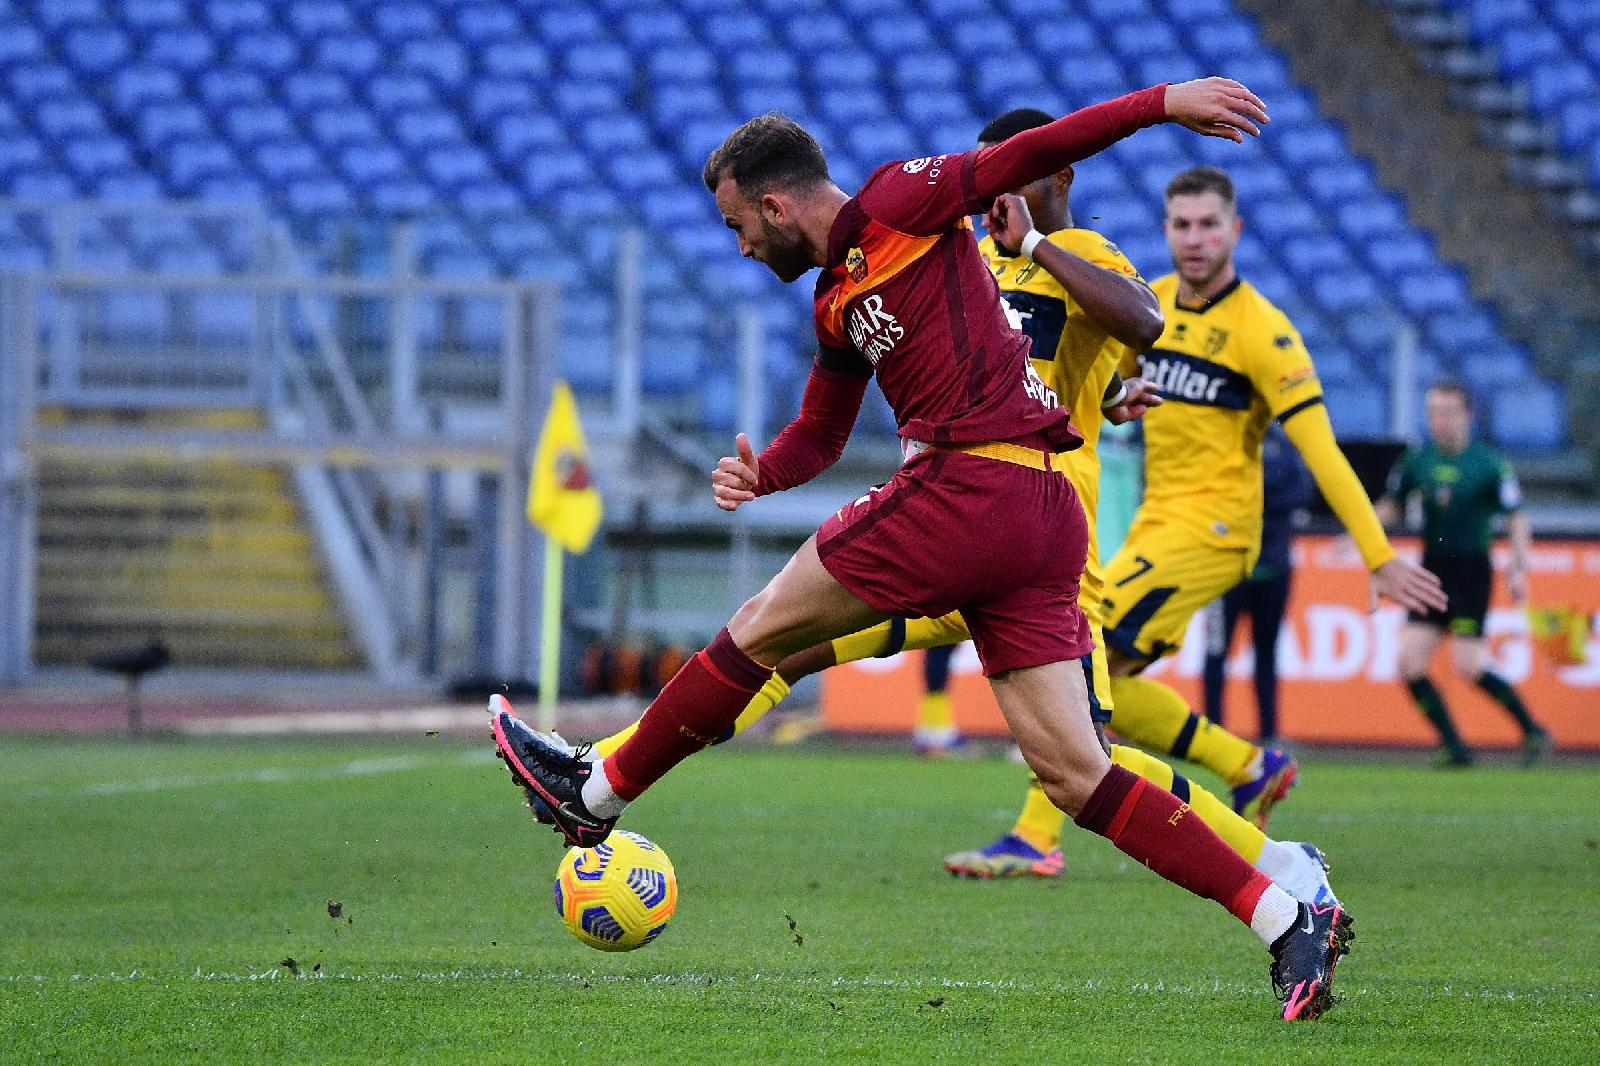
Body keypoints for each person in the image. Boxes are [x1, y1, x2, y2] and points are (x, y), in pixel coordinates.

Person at [491, 82, 1356, 1020]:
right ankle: (1285, 915)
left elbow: (1027, 154)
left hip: (968, 488)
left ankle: (595, 789)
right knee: (1078, 773)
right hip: (1037, 514)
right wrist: (763, 474)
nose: (739, 245)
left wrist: (1163, 103)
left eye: (738, 225)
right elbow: (822, 433)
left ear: (776, 205)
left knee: (762, 631)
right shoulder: (835, 300)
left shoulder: (901, 199)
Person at [1376, 381, 1552, 767]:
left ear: (1467, 416)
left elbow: (1516, 518)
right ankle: (1456, 748)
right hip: (1432, 572)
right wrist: (1363, 531)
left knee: (1468, 665)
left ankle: (1533, 731)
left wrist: (1519, 565)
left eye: (1448, 412)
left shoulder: (1489, 464)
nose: (1439, 420)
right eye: (1433, 412)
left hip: (1472, 572)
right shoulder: (1416, 462)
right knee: (1408, 663)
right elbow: (1393, 505)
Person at [1202, 424, 1311, 741]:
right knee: (1216, 650)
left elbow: (1303, 490)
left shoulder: (1283, 442)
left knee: (1267, 651)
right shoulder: (1223, 437)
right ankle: (1212, 734)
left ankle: (1269, 732)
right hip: (1224, 568)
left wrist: (1250, 496)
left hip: (1274, 565)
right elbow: (1210, 491)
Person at [913, 644, 965, 756]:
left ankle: (930, 735)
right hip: (938, 653)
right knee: (936, 691)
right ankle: (938, 738)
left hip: (937, 654)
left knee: (935, 691)